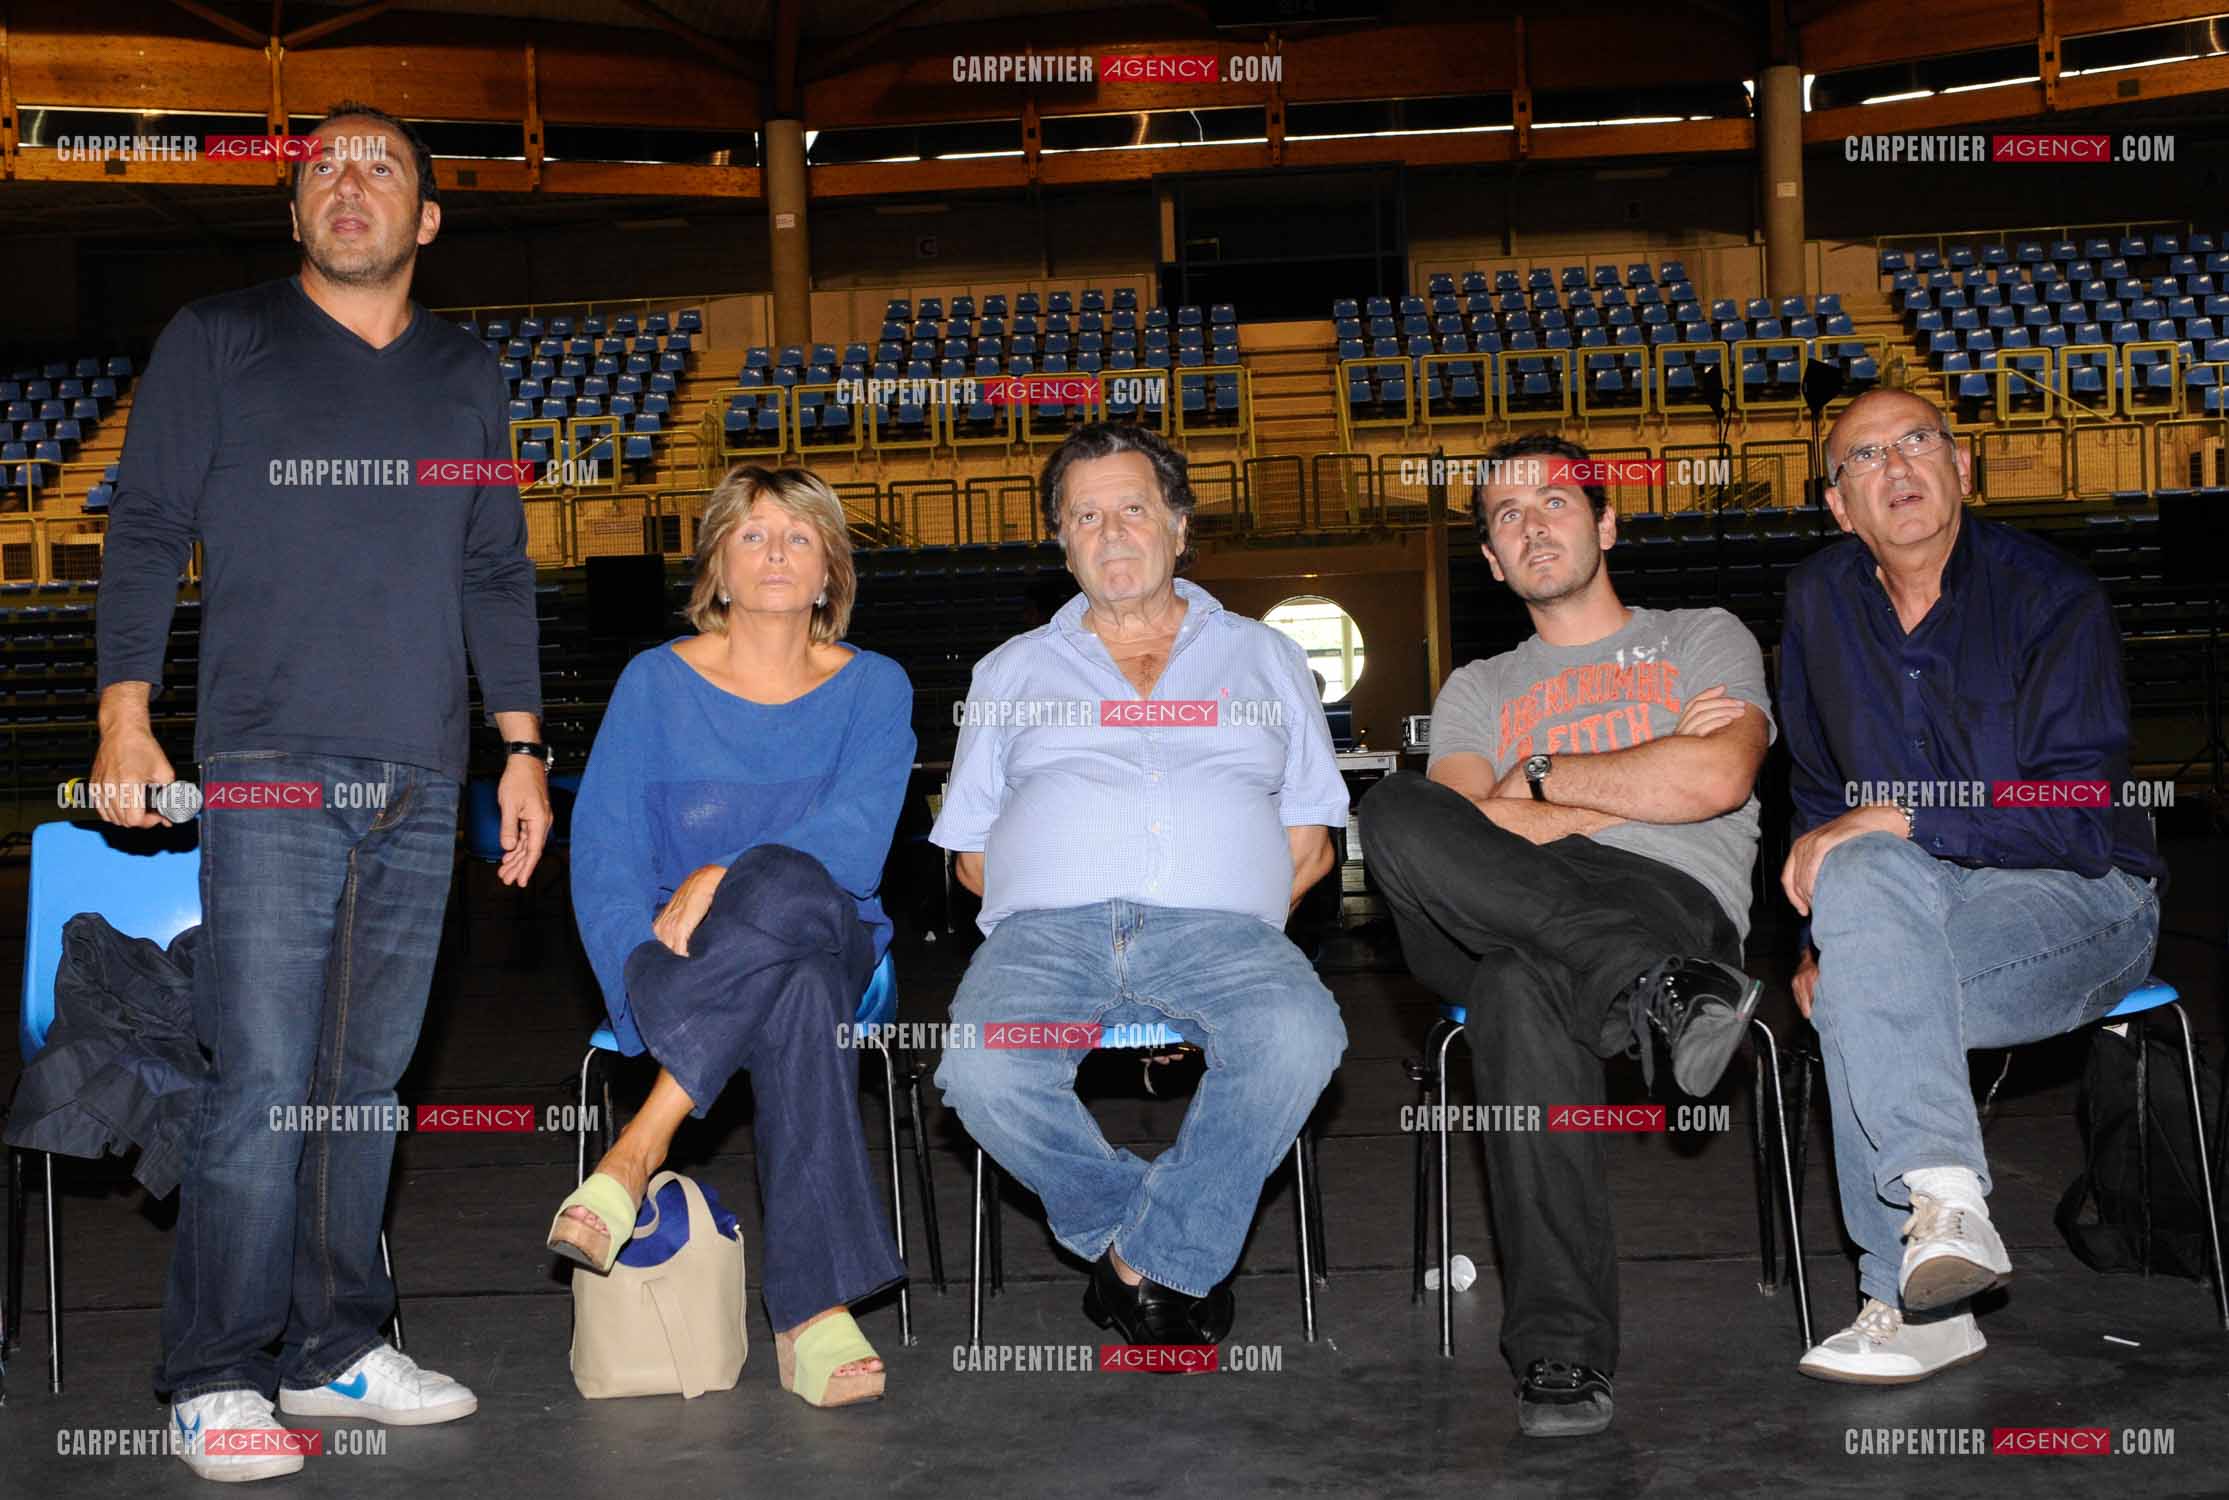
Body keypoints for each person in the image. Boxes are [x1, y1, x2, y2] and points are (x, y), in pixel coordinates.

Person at [92, 103, 548, 1483]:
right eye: (322, 168)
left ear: (424, 220)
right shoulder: (216, 340)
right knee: (267, 1080)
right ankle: (214, 1371)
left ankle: (337, 1343)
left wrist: (520, 745)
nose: (349, 185)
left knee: (365, 1084)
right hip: (273, 767)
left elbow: (490, 567)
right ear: (294, 214)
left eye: (382, 168)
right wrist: (123, 712)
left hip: (427, 772)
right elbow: (149, 523)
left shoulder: (469, 372)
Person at [1359, 431, 1771, 1438]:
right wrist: (1641, 769)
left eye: (1554, 502)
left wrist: (1538, 778)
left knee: (1513, 987)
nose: (1532, 524)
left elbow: (1717, 780)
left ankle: (1561, 1353)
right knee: (1390, 814)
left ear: (1607, 519)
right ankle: (1659, 991)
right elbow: (1448, 832)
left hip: (1661, 898)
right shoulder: (1477, 687)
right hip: (1510, 904)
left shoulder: (1701, 637)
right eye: (1506, 515)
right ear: (1492, 561)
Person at [931, 422, 1348, 1351]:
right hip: (1049, 936)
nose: (1111, 533)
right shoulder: (1009, 672)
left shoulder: (1265, 658)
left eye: (1132, 509)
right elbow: (969, 855)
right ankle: (1156, 1246)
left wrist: (1227, 956)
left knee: (1295, 1034)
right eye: (1086, 516)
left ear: (1179, 528)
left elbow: (1310, 839)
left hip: (1221, 933)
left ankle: (1136, 1265)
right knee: (983, 1066)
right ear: (1061, 540)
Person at [1779, 390, 2164, 1384]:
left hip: (2082, 894)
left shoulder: (2052, 596)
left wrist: (1908, 819)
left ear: (1962, 468)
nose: (1898, 466)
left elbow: (2079, 816)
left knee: (1872, 991)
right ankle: (1946, 1205)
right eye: (1866, 456)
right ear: (1839, 504)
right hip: (1902, 901)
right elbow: (1822, 799)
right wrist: (1819, 941)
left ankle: (1909, 1305)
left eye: (1918, 442)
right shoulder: (1819, 601)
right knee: (1860, 913)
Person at [561, 465, 915, 1409]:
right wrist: (635, 971)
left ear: (830, 573)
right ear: (715, 564)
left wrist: (724, 876)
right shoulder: (654, 683)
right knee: (791, 990)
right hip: (689, 966)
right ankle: (813, 1315)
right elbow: (601, 853)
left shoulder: (875, 687)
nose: (775, 555)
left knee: (793, 890)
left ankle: (635, 1150)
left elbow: (856, 846)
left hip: (837, 935)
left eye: (799, 538)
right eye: (753, 535)